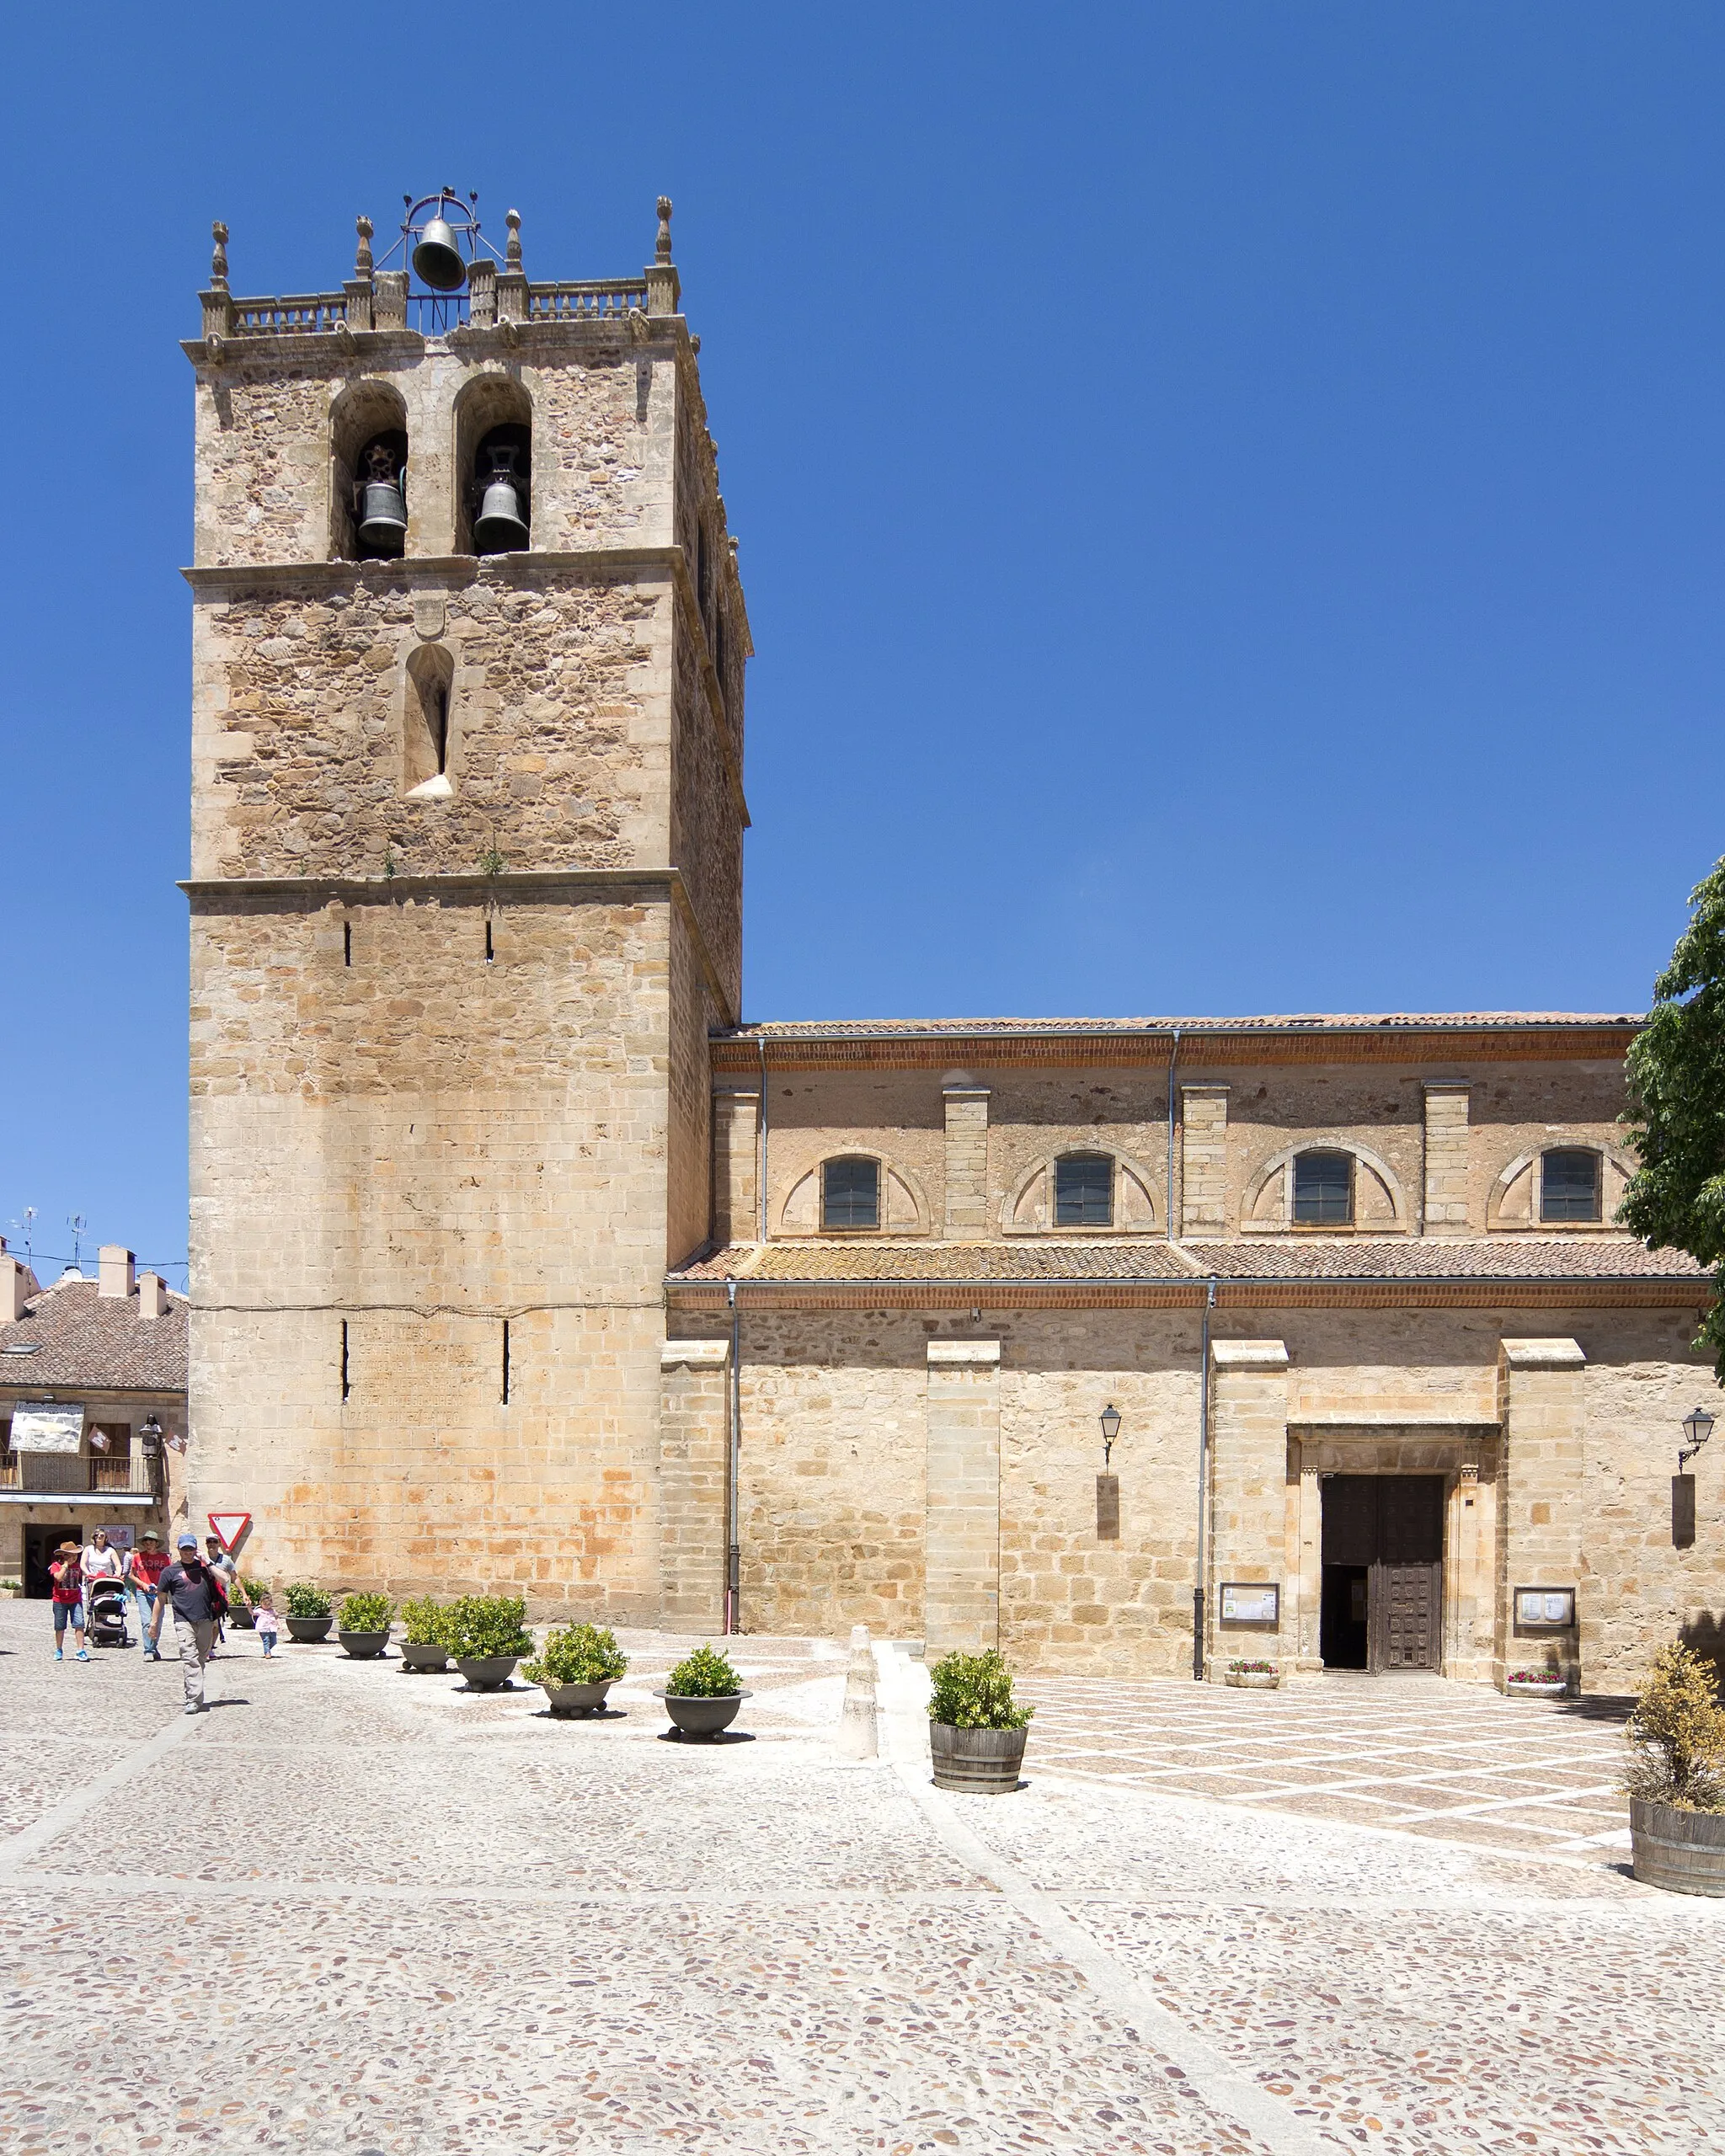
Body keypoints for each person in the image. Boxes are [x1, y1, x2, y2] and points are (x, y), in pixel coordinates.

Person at [148, 1531, 228, 1713]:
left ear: (195, 1549)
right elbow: (160, 1598)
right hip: (183, 1620)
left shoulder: (205, 1568)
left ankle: (191, 1691)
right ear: (179, 1550)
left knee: (200, 1659)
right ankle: (194, 1700)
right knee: (189, 1658)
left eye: (191, 1549)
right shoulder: (170, 1572)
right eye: (184, 1549)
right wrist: (153, 1623)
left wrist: (207, 1561)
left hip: (206, 1619)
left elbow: (225, 1579)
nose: (187, 1552)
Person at [126, 1529, 168, 1659]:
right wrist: (143, 1584)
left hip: (159, 1594)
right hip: (142, 1592)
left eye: (151, 1541)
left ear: (156, 1543)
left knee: (157, 1622)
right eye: (146, 1542)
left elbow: (168, 1575)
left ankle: (153, 1647)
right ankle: (148, 1650)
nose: (148, 1544)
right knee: (146, 1621)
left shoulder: (164, 1558)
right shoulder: (138, 1557)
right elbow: (131, 1574)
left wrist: (162, 1588)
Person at [48, 1542, 89, 1662]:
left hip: (76, 1599)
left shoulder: (77, 1566)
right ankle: (59, 1649)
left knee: (79, 1624)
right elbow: (59, 1578)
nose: (74, 1558)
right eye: (71, 1555)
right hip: (59, 1600)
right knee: (60, 1626)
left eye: (76, 1555)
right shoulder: (56, 1565)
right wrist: (65, 1565)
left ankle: (80, 1650)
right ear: (64, 1556)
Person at [80, 1528, 123, 1632]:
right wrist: (88, 1573)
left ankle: (103, 1622)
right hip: (93, 1579)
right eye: (97, 1535)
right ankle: (95, 1623)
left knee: (107, 1600)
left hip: (107, 1580)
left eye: (102, 1535)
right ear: (93, 1537)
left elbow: (118, 1565)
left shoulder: (110, 1550)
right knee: (95, 1601)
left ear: (105, 1538)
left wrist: (117, 1574)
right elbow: (83, 1564)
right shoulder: (89, 1549)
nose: (99, 1537)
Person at [205, 1535, 241, 1647]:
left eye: (214, 1541)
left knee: (217, 1624)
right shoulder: (201, 1559)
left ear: (219, 1544)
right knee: (206, 1624)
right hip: (204, 1596)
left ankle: (209, 1648)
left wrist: (244, 1593)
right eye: (209, 1542)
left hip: (219, 1597)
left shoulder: (226, 1560)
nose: (212, 1544)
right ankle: (205, 1647)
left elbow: (234, 1577)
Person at [252, 1588, 280, 1658]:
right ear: (261, 1603)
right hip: (263, 1629)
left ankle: (267, 1650)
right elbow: (252, 1613)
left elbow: (276, 1617)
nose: (267, 1606)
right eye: (265, 1604)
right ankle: (267, 1652)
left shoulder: (272, 1610)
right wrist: (249, 1607)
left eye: (269, 1604)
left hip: (272, 1628)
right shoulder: (259, 1610)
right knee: (266, 1641)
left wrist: (279, 1624)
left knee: (274, 1641)